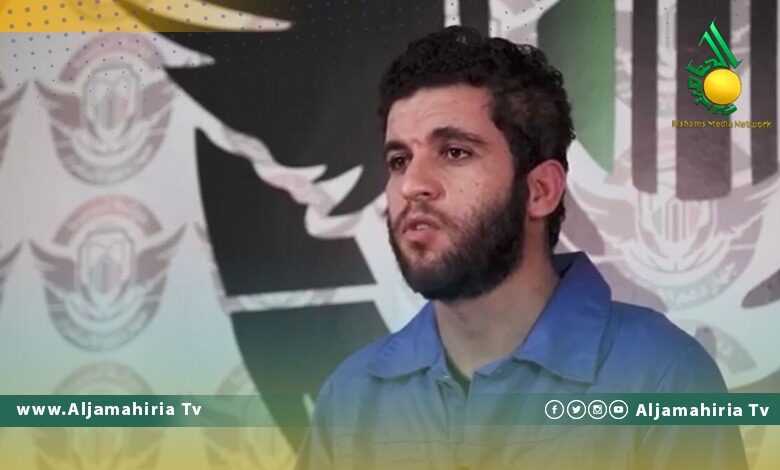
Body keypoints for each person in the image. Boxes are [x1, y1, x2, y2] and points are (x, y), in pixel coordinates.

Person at [295, 26, 748, 470]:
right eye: (399, 160)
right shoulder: (350, 398)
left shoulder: (663, 377)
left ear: (540, 190)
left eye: (454, 152)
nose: (412, 184)